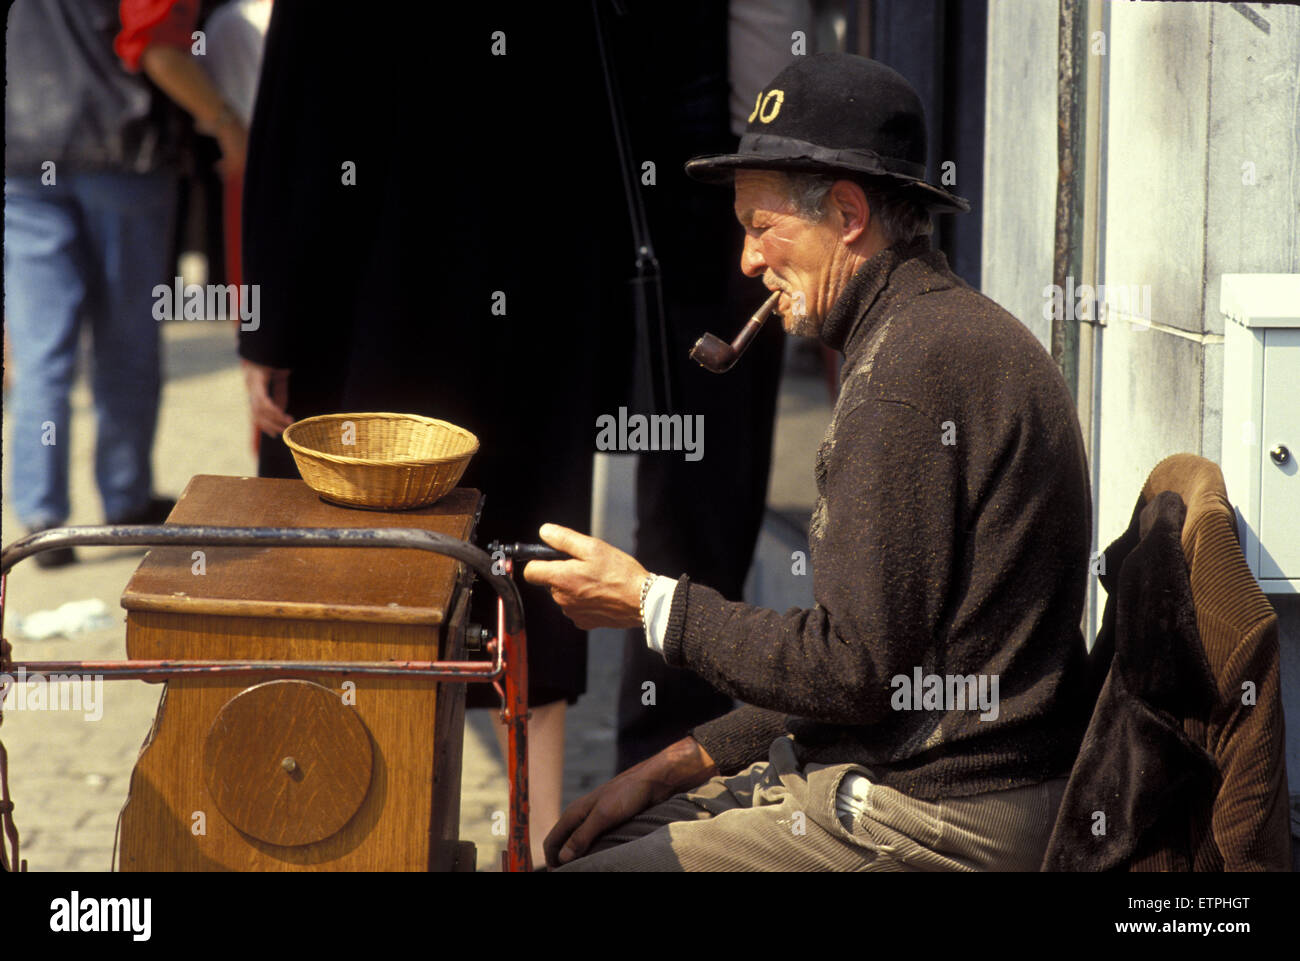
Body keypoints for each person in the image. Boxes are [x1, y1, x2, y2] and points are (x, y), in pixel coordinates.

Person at [524, 53, 1095, 871]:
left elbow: (850, 667)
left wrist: (651, 604)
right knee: (612, 828)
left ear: (850, 214)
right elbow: (873, 662)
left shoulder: (909, 369)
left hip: (942, 813)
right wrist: (677, 761)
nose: (747, 262)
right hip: (931, 778)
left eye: (762, 228)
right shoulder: (923, 331)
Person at [4, 0, 246, 568]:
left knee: (42, 352)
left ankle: (42, 520)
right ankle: (125, 497)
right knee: (126, 341)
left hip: (27, 149)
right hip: (121, 150)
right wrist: (225, 121)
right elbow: (159, 48)